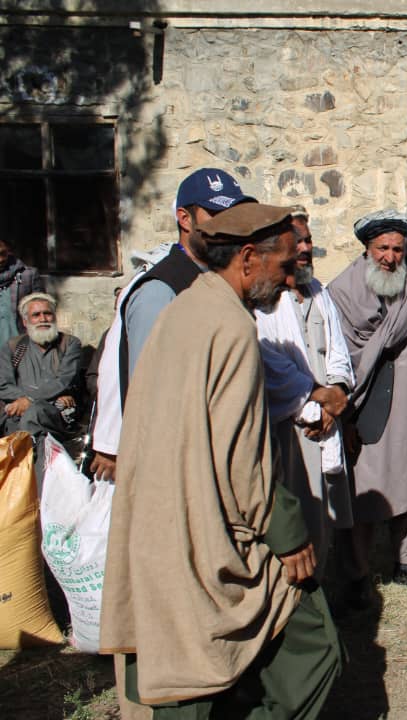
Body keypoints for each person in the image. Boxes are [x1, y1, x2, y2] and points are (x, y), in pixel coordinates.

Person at [100, 202, 341, 718]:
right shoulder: (230, 326)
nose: (289, 277)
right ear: (248, 259)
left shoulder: (184, 311)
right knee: (314, 648)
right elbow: (242, 457)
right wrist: (289, 534)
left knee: (199, 669)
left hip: (166, 524)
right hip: (207, 528)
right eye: (283, 266)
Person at [89, 167, 254, 482]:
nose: (227, 227)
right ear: (185, 218)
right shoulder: (160, 288)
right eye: (216, 214)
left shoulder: (220, 281)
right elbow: (149, 393)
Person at [328, 209, 407, 594]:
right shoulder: (343, 291)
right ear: (366, 249)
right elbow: (341, 357)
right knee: (365, 489)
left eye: (397, 248)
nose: (390, 257)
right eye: (382, 249)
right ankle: (357, 575)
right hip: (366, 402)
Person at [255, 206, 354, 575]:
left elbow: (338, 351)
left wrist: (337, 395)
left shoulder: (319, 293)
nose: (304, 248)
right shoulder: (266, 301)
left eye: (309, 240)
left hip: (327, 419)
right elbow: (268, 360)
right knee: (298, 515)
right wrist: (314, 406)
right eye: (297, 241)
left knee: (324, 516)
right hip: (293, 425)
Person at [0, 292, 81, 438]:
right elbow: (4, 385)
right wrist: (22, 401)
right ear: (25, 322)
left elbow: (64, 381)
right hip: (16, 410)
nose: (43, 319)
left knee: (35, 413)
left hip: (53, 412)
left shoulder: (69, 343)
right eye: (36, 315)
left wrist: (29, 400)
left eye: (47, 314)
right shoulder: (13, 346)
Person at [0, 237, 46, 345]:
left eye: (3, 253)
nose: (0, 259)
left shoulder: (28, 275)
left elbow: (42, 309)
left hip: (21, 346)